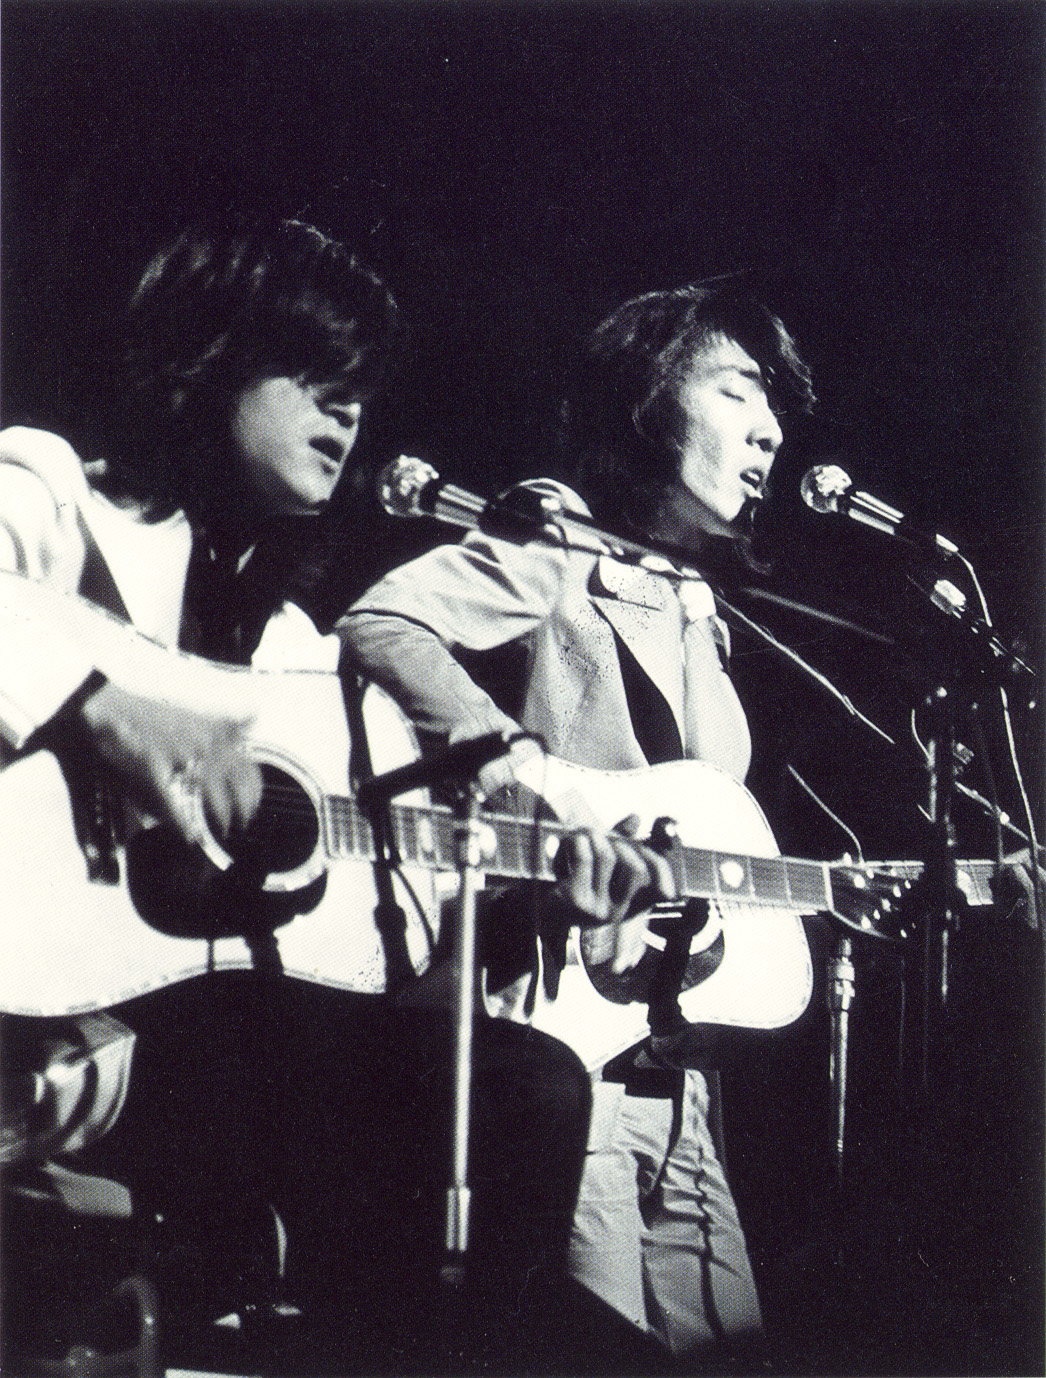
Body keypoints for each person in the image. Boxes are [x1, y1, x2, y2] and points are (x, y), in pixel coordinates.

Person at [0, 211, 620, 1374]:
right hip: (41, 1016)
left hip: (188, 1042)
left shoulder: (291, 653)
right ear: (207, 356)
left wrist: (536, 898)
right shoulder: (47, 494)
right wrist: (105, 708)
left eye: (360, 391)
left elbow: (372, 922)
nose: (347, 414)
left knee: (519, 1088)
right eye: (313, 374)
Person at [338, 276, 818, 1366]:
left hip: (673, 1073)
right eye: (738, 389)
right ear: (649, 398)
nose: (770, 429)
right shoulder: (557, 536)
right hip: (553, 1041)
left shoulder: (700, 604)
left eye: (775, 405)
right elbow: (384, 621)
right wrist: (513, 769)